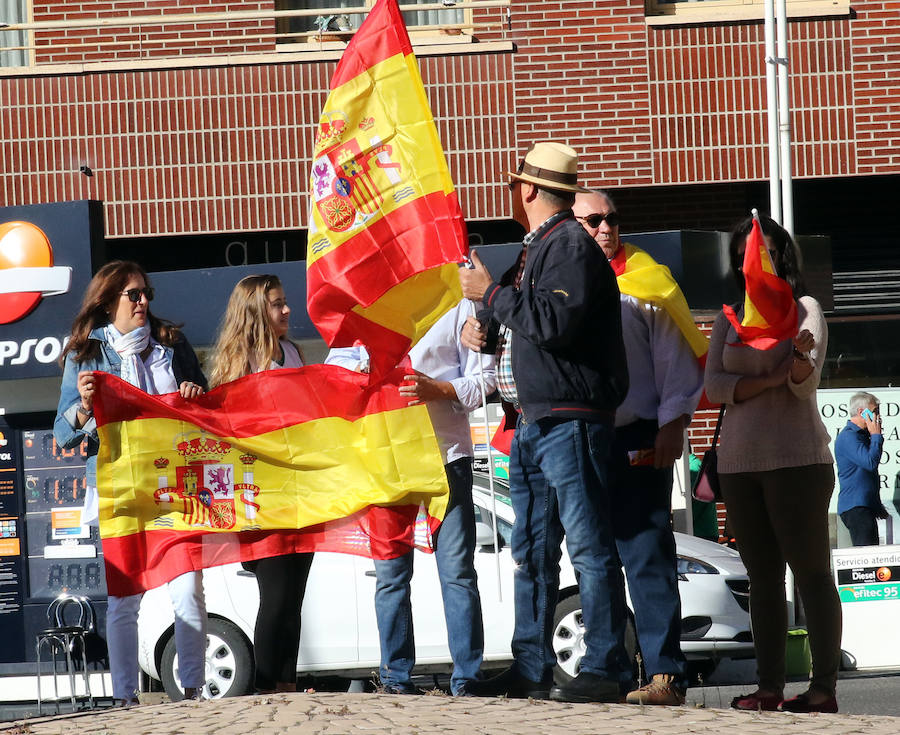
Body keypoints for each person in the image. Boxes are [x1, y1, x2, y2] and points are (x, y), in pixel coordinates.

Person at [458, 142, 629, 703]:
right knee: (531, 552)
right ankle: (531, 667)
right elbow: (522, 316)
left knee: (586, 546)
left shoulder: (569, 247)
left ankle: (605, 666)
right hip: (536, 421)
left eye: (514, 186)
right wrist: (485, 324)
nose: (511, 194)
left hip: (567, 420)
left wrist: (492, 296)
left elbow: (552, 323)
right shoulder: (542, 249)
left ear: (528, 190)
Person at [53, 260, 208, 705]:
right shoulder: (85, 352)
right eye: (133, 295)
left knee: (189, 586)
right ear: (108, 302)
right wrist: (84, 405)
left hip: (173, 484)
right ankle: (125, 697)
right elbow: (64, 433)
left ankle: (192, 690)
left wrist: (196, 394)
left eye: (146, 294)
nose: (143, 302)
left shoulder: (171, 344)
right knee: (126, 595)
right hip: (118, 485)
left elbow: (203, 402)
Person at [704, 214, 842, 713]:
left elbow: (803, 383)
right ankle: (768, 687)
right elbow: (712, 386)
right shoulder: (729, 315)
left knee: (811, 574)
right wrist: (768, 379)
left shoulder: (804, 309)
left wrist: (798, 364)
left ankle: (823, 688)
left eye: (759, 253)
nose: (751, 263)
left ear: (779, 258)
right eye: (743, 254)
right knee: (761, 578)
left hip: (796, 460)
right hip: (739, 464)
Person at [325, 299, 496, 696]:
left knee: (457, 572)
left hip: (445, 457)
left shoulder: (457, 300)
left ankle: (467, 679)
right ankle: (395, 679)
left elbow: (482, 381)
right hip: (387, 459)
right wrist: (360, 373)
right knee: (390, 577)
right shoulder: (366, 303)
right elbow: (336, 373)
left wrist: (435, 389)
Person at [573, 189, 704, 705]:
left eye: (612, 219)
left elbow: (676, 363)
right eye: (593, 221)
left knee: (646, 551)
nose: (605, 228)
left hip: (636, 434)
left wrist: (673, 425)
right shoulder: (560, 284)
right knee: (592, 557)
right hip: (579, 437)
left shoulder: (647, 283)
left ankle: (665, 673)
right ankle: (606, 669)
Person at [209, 274, 314, 693]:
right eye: (277, 304)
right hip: (259, 496)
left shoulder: (292, 352)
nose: (287, 311)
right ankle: (267, 690)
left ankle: (287, 684)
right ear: (255, 312)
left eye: (285, 302)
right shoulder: (237, 365)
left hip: (300, 491)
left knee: (295, 596)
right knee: (274, 594)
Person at [836, 391, 888, 546]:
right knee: (867, 559)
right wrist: (876, 436)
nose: (878, 417)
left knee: (871, 553)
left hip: (864, 506)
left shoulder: (862, 436)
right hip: (856, 507)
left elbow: (867, 473)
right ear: (861, 412)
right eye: (874, 412)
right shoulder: (849, 436)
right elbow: (870, 462)